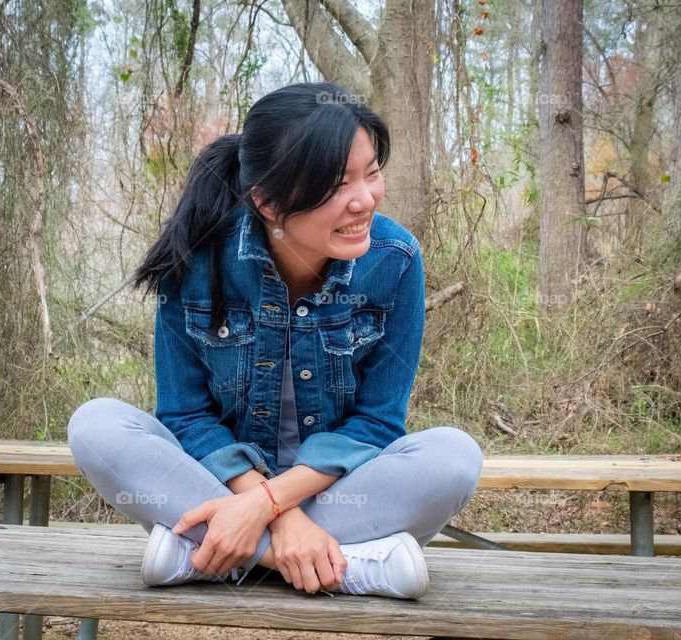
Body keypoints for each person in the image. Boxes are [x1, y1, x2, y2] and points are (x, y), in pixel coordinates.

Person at [67, 82, 483, 599]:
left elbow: (377, 422)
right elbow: (185, 415)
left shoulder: (395, 259)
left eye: (371, 172)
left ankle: (208, 552)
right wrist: (269, 512)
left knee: (454, 456)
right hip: (220, 482)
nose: (365, 199)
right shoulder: (196, 256)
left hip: (336, 491)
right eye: (336, 185)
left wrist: (264, 507)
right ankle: (342, 564)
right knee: (96, 424)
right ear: (266, 201)